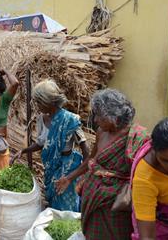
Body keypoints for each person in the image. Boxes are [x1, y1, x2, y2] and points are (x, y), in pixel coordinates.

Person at [65, 89, 149, 239]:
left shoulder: (136, 139)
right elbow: (92, 160)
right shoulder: (101, 132)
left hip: (117, 206)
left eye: (99, 115)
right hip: (93, 201)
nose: (95, 120)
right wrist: (70, 178)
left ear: (114, 117)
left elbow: (143, 176)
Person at [12, 79, 89, 212]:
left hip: (67, 170)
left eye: (38, 102)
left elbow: (86, 153)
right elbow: (42, 143)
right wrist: (23, 151)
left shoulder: (70, 120)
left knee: (65, 208)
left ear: (47, 101)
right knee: (54, 204)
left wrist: (74, 177)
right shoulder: (42, 118)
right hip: (51, 169)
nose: (36, 105)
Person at [131, 118, 168, 240]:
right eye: (166, 161)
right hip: (163, 233)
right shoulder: (145, 178)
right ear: (154, 150)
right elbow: (147, 236)